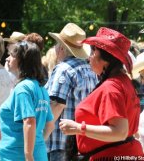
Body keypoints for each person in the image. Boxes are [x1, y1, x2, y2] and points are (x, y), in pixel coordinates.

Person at [59, 27, 143, 160]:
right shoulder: (122, 82)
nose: (89, 57)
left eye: (93, 51)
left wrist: (78, 128)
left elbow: (120, 132)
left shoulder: (111, 87)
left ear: (105, 59)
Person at [45, 23, 98, 161]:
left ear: (61, 48)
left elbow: (56, 105)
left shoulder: (63, 69)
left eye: (56, 44)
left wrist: (41, 135)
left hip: (60, 144)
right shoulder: (90, 69)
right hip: (82, 141)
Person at [0, 41, 54, 161]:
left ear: (21, 61)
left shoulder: (23, 88)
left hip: (16, 156)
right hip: (38, 154)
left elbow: (29, 121)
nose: (7, 58)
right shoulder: (40, 88)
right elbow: (50, 124)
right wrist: (37, 144)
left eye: (12, 55)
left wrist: (28, 156)